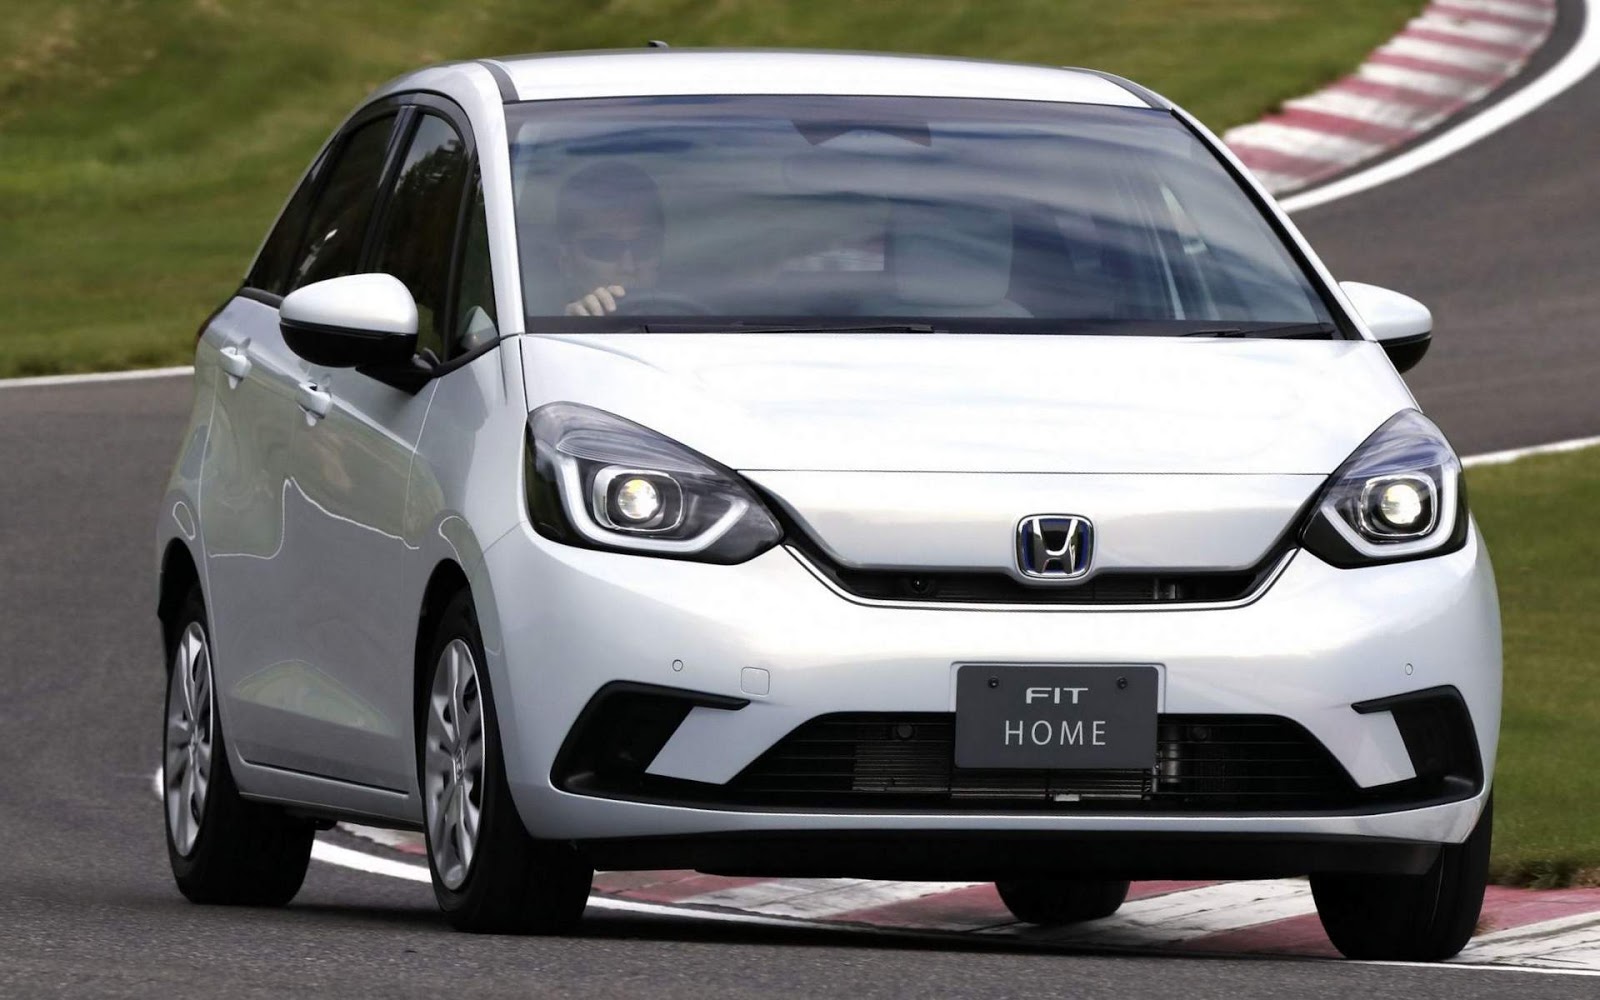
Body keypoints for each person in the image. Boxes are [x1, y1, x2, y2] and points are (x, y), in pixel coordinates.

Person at [557, 162, 665, 316]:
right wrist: (574, 326)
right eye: (604, 248)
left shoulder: (694, 323)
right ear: (567, 261)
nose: (628, 267)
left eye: (643, 246)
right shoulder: (537, 329)